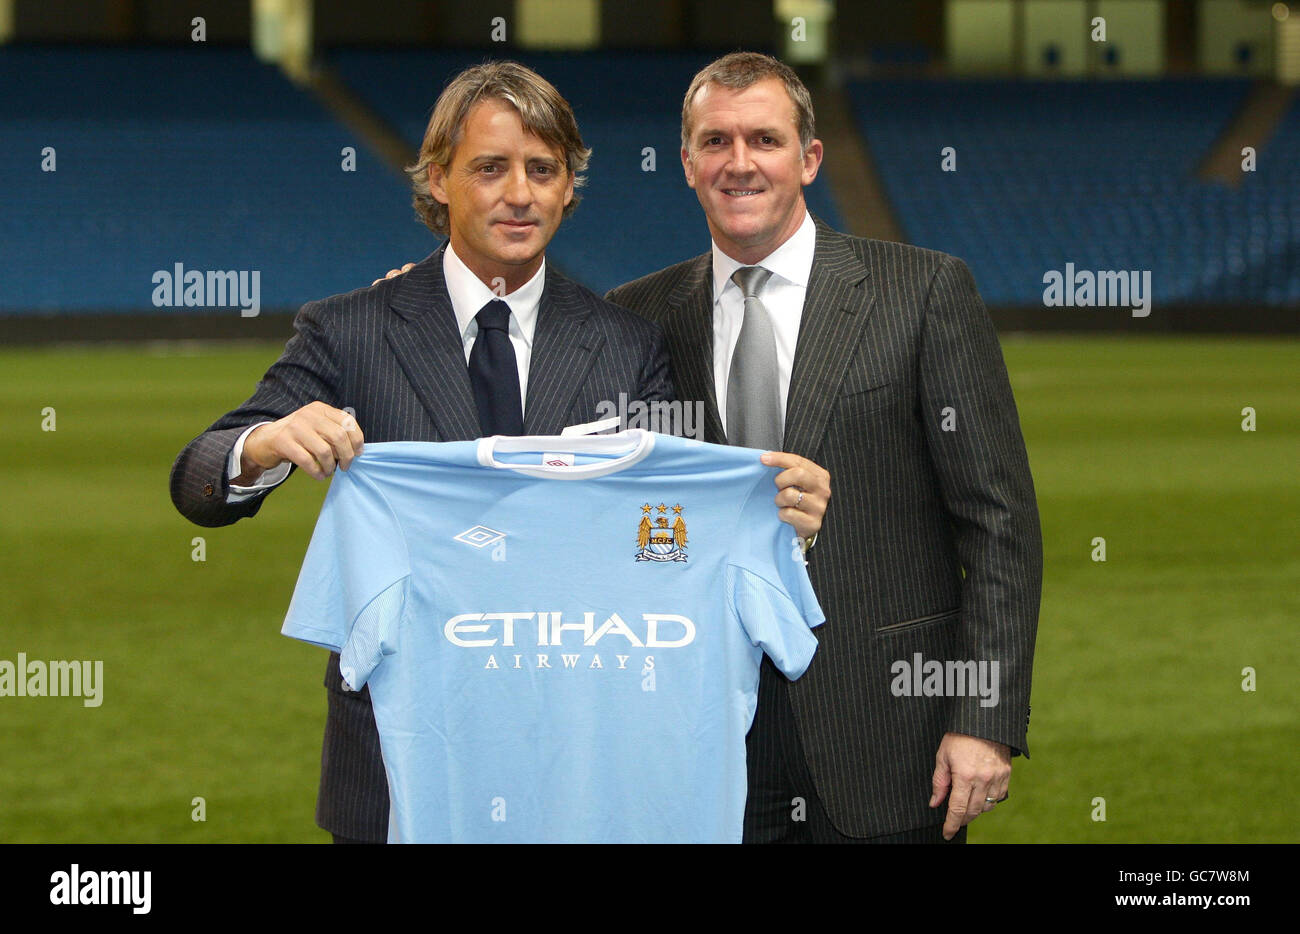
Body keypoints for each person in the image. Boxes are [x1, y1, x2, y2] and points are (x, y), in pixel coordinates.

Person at [170, 60, 828, 844]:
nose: (520, 193)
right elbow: (196, 480)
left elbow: (668, 537)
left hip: (578, 759)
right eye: (491, 167)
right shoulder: (350, 329)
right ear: (439, 179)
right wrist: (265, 444)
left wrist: (772, 515)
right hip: (401, 773)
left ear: (567, 187)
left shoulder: (625, 344)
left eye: (543, 170)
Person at [604, 52, 1043, 843]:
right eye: (716, 142)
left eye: (765, 140)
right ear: (687, 164)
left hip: (889, 732)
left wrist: (984, 715)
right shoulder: (635, 317)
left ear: (808, 158)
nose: (740, 163)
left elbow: (1000, 523)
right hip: (703, 733)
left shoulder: (924, 292)